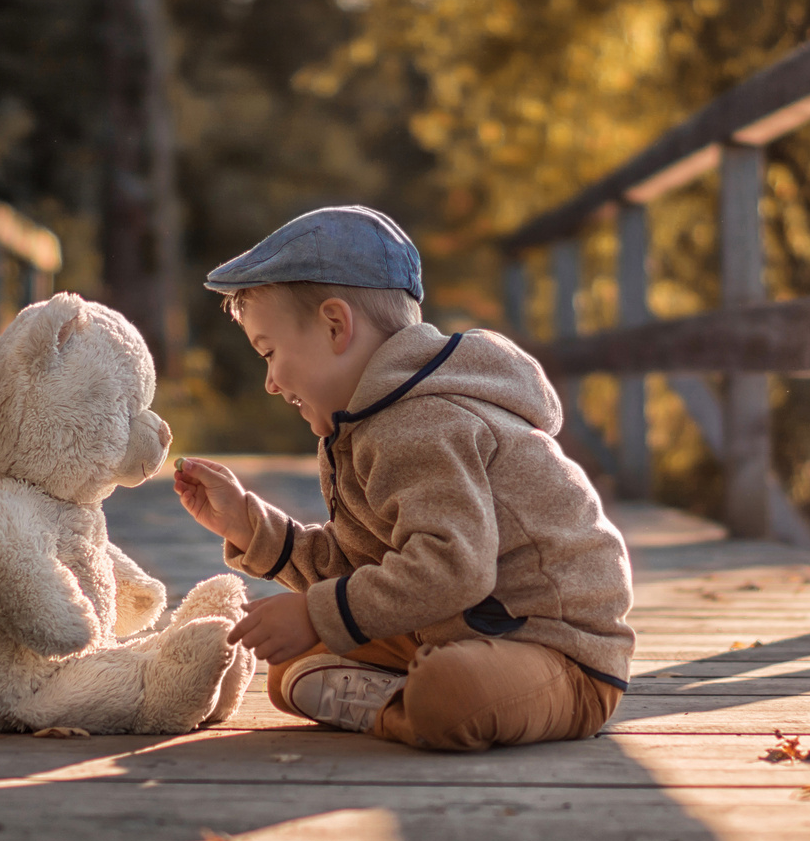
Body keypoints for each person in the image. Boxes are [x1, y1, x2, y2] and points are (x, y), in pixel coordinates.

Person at [172, 205, 635, 752]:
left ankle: (406, 706)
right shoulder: (366, 424)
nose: (271, 383)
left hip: (557, 652)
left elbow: (451, 569)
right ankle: (404, 695)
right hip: (458, 626)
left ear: (335, 326)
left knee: (445, 692)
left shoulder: (422, 422)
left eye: (269, 353)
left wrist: (317, 612)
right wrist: (253, 529)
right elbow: (369, 564)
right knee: (291, 664)